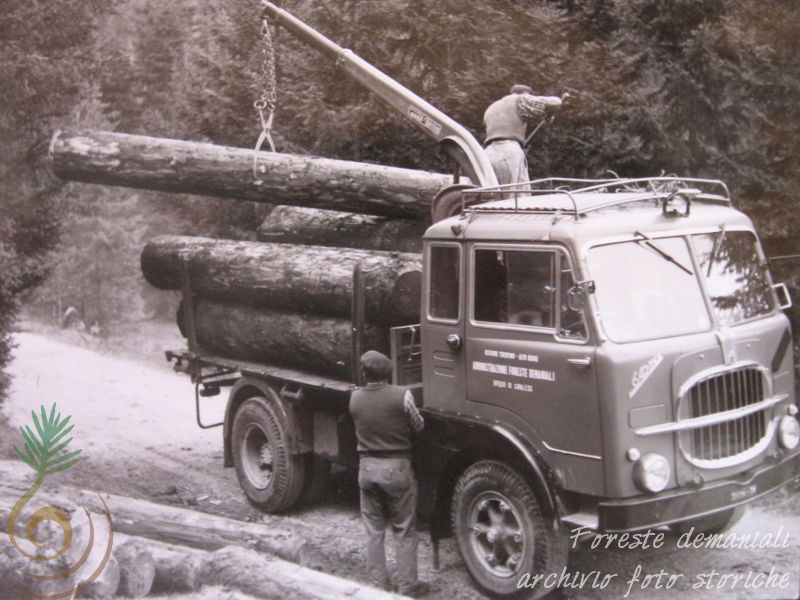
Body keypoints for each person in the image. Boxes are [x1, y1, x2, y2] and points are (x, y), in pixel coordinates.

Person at [349, 350, 427, 596]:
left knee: (374, 531)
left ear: (364, 373)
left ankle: (378, 586)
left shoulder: (355, 398)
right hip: (397, 468)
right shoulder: (402, 395)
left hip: (367, 469)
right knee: (404, 530)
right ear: (388, 372)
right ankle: (407, 587)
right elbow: (418, 425)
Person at [483, 84, 562, 186]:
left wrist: (546, 114)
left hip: (487, 154)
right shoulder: (520, 99)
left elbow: (520, 118)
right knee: (516, 197)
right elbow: (555, 102)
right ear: (525, 94)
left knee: (493, 197)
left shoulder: (491, 107)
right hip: (508, 150)